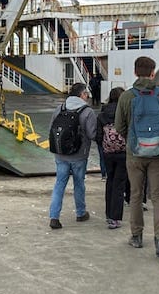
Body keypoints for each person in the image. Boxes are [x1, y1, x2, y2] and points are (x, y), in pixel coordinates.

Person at [114, 56, 159, 254]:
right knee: (158, 197)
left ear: (134, 72)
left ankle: (136, 236)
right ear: (153, 73)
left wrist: (133, 140)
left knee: (135, 194)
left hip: (135, 154)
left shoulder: (126, 97)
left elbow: (119, 126)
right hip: (158, 154)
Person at [48, 83, 97, 229]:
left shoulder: (60, 108)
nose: (87, 96)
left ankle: (54, 217)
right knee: (79, 184)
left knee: (59, 184)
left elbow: (52, 128)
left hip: (60, 154)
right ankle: (81, 213)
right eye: (86, 94)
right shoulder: (87, 111)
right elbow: (92, 134)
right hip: (79, 155)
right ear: (82, 95)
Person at [95, 87, 128, 228]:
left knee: (110, 181)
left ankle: (108, 214)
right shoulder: (125, 113)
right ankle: (115, 218)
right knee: (119, 185)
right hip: (123, 153)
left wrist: (104, 147)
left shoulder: (102, 114)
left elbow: (97, 136)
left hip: (107, 153)